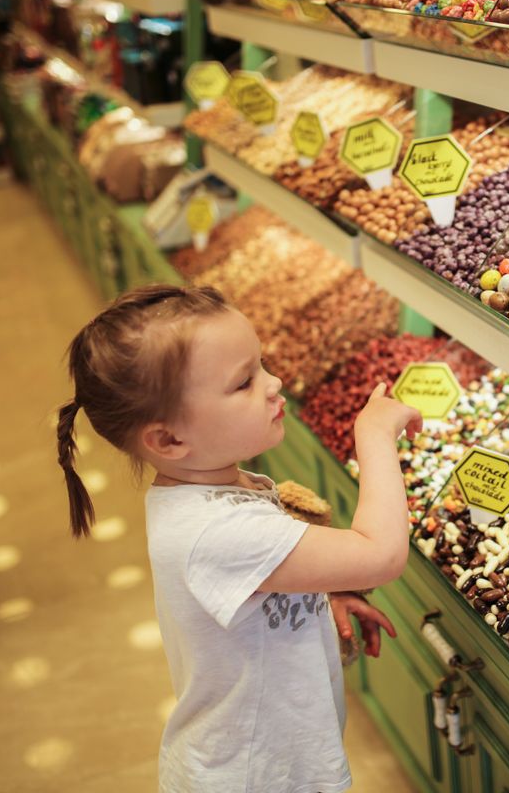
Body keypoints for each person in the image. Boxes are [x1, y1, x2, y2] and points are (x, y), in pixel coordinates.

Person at [55, 284, 422, 792]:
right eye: (243, 383)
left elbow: (254, 582)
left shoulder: (211, 493)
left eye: (263, 364)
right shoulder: (216, 531)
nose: (273, 384)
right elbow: (380, 555)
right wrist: (376, 437)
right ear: (168, 440)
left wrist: (319, 591)